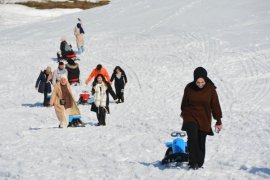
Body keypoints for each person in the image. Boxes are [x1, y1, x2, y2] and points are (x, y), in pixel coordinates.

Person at [180, 67, 223, 170]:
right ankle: (192, 162)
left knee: (200, 141)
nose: (200, 84)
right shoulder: (189, 88)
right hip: (190, 116)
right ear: (194, 80)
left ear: (205, 79)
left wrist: (218, 120)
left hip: (204, 119)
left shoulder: (210, 89)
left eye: (202, 82)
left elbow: (215, 105)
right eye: (198, 82)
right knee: (192, 138)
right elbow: (184, 103)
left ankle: (199, 162)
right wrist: (184, 113)